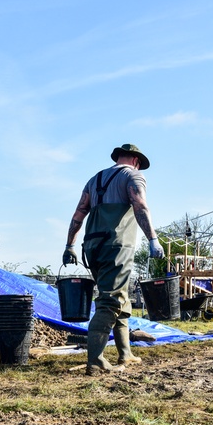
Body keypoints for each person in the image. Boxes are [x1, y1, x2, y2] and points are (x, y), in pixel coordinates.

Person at [63, 144, 164, 374]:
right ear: (136, 160)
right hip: (116, 245)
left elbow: (78, 214)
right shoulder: (133, 176)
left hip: (92, 246)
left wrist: (69, 245)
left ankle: (125, 353)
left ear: (118, 157)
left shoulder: (94, 180)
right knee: (111, 301)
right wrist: (153, 239)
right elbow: (139, 205)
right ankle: (96, 360)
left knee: (120, 296)